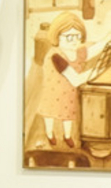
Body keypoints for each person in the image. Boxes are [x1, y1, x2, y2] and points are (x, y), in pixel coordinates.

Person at [34, 11, 95, 148]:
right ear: (57, 37)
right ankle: (49, 134)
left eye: (78, 36)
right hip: (53, 92)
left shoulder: (76, 52)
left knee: (68, 115)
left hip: (68, 92)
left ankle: (67, 136)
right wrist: (97, 71)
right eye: (69, 37)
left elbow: (92, 51)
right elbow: (76, 80)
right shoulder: (56, 56)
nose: (74, 40)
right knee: (50, 114)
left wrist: (110, 38)